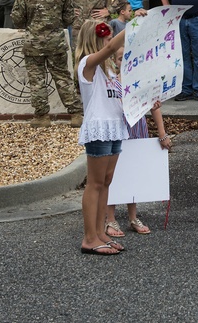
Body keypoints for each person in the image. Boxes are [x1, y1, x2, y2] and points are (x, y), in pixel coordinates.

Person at [11, 0, 85, 128]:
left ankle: (42, 116)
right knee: (62, 77)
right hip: (56, 42)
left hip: (33, 43)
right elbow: (69, 18)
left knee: (36, 80)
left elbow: (17, 19)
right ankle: (75, 114)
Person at [75, 19, 129, 256]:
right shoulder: (87, 64)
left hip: (114, 125)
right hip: (99, 127)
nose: (110, 41)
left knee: (106, 182)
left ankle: (100, 232)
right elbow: (108, 50)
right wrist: (133, 26)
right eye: (106, 37)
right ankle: (89, 238)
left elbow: (120, 95)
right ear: (95, 39)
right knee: (95, 183)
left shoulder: (108, 69)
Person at [105, 45, 170, 237]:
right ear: (115, 62)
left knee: (133, 173)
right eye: (119, 58)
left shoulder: (143, 83)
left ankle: (133, 217)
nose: (124, 61)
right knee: (113, 175)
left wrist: (162, 134)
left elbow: (154, 108)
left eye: (128, 58)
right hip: (117, 133)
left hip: (137, 132)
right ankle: (110, 219)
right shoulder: (110, 83)